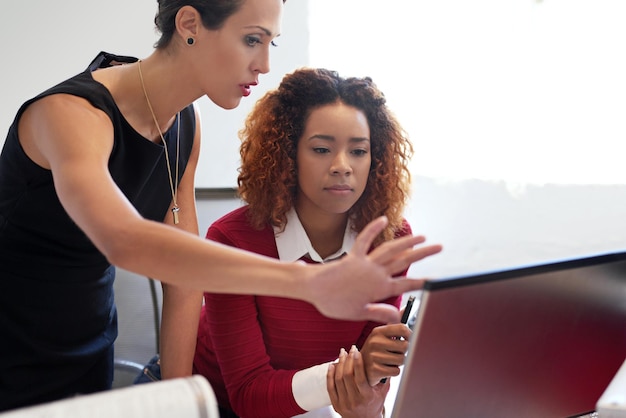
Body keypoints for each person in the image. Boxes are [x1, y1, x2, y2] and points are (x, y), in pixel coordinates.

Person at [0, 0, 443, 412]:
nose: (265, 65)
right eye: (252, 39)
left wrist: (176, 401)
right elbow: (123, 239)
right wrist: (308, 282)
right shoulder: (69, 114)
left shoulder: (182, 125)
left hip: (89, 347)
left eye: (271, 43)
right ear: (190, 25)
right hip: (14, 349)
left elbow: (184, 280)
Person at [192, 67, 439, 418]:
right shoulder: (232, 240)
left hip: (304, 406)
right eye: (321, 149)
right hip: (211, 405)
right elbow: (248, 396)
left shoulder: (390, 239)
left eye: (358, 151)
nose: (342, 166)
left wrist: (371, 376)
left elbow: (360, 388)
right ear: (288, 155)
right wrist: (355, 373)